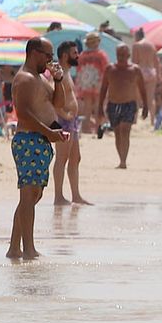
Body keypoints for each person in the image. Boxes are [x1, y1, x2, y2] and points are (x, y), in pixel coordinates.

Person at [8, 38, 70, 259]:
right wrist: (49, 132)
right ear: (34, 52)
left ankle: (15, 248)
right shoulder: (24, 79)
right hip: (28, 139)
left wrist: (59, 79)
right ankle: (28, 249)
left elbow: (58, 104)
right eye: (47, 55)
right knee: (28, 194)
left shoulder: (40, 79)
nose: (50, 60)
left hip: (40, 140)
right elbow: (23, 113)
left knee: (33, 195)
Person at [49, 40, 90, 206]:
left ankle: (76, 195)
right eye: (74, 53)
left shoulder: (67, 73)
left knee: (75, 158)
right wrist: (64, 114)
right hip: (63, 122)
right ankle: (58, 196)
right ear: (65, 55)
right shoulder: (59, 75)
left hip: (72, 122)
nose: (77, 56)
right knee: (62, 158)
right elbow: (52, 98)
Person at [97, 43, 148, 169]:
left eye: (124, 55)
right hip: (113, 104)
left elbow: (142, 89)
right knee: (117, 132)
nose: (121, 57)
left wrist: (145, 105)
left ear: (128, 55)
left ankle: (123, 161)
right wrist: (99, 107)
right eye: (119, 54)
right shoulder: (110, 69)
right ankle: (121, 158)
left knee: (125, 130)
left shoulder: (135, 70)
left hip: (129, 104)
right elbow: (104, 88)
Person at [73, 32, 108, 141]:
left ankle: (86, 128)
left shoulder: (82, 55)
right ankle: (98, 127)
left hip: (85, 82)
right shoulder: (101, 55)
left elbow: (78, 70)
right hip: (98, 82)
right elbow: (106, 69)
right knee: (98, 106)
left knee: (87, 107)